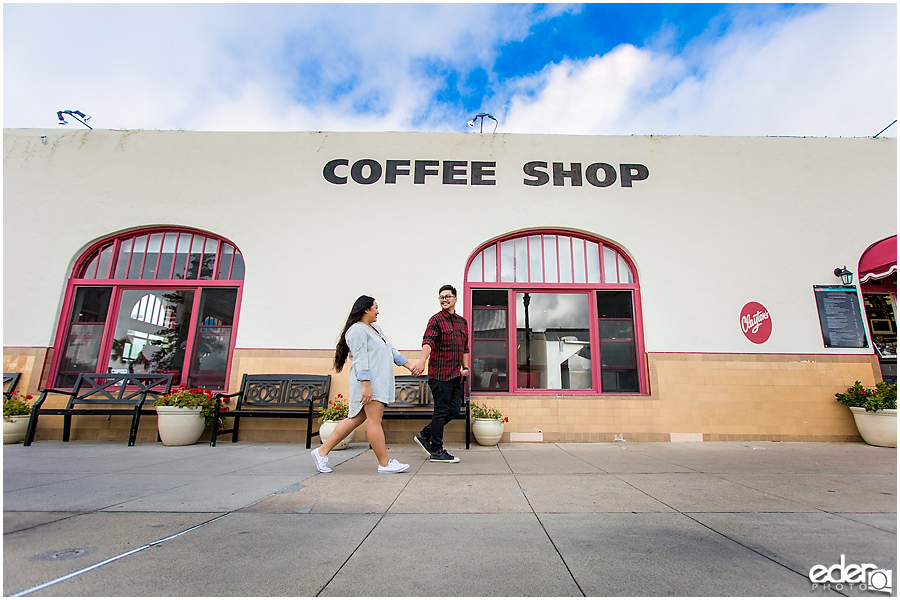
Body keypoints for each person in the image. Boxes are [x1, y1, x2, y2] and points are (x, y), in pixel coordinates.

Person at [311, 295, 422, 474]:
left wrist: (410, 366)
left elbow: (391, 350)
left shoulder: (375, 329)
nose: (378, 311)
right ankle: (384, 463)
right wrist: (366, 386)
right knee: (374, 420)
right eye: (375, 307)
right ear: (365, 309)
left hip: (375, 383)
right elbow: (360, 359)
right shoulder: (356, 331)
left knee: (356, 419)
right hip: (369, 384)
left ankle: (321, 452)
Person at [412, 284, 470, 463]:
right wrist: (422, 360)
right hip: (439, 374)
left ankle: (424, 435)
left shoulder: (462, 322)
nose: (444, 299)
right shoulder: (435, 320)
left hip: (455, 375)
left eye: (447, 296)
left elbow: (464, 347)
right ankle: (436, 449)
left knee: (452, 410)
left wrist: (465, 368)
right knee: (441, 410)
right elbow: (428, 341)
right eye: (441, 297)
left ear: (455, 299)